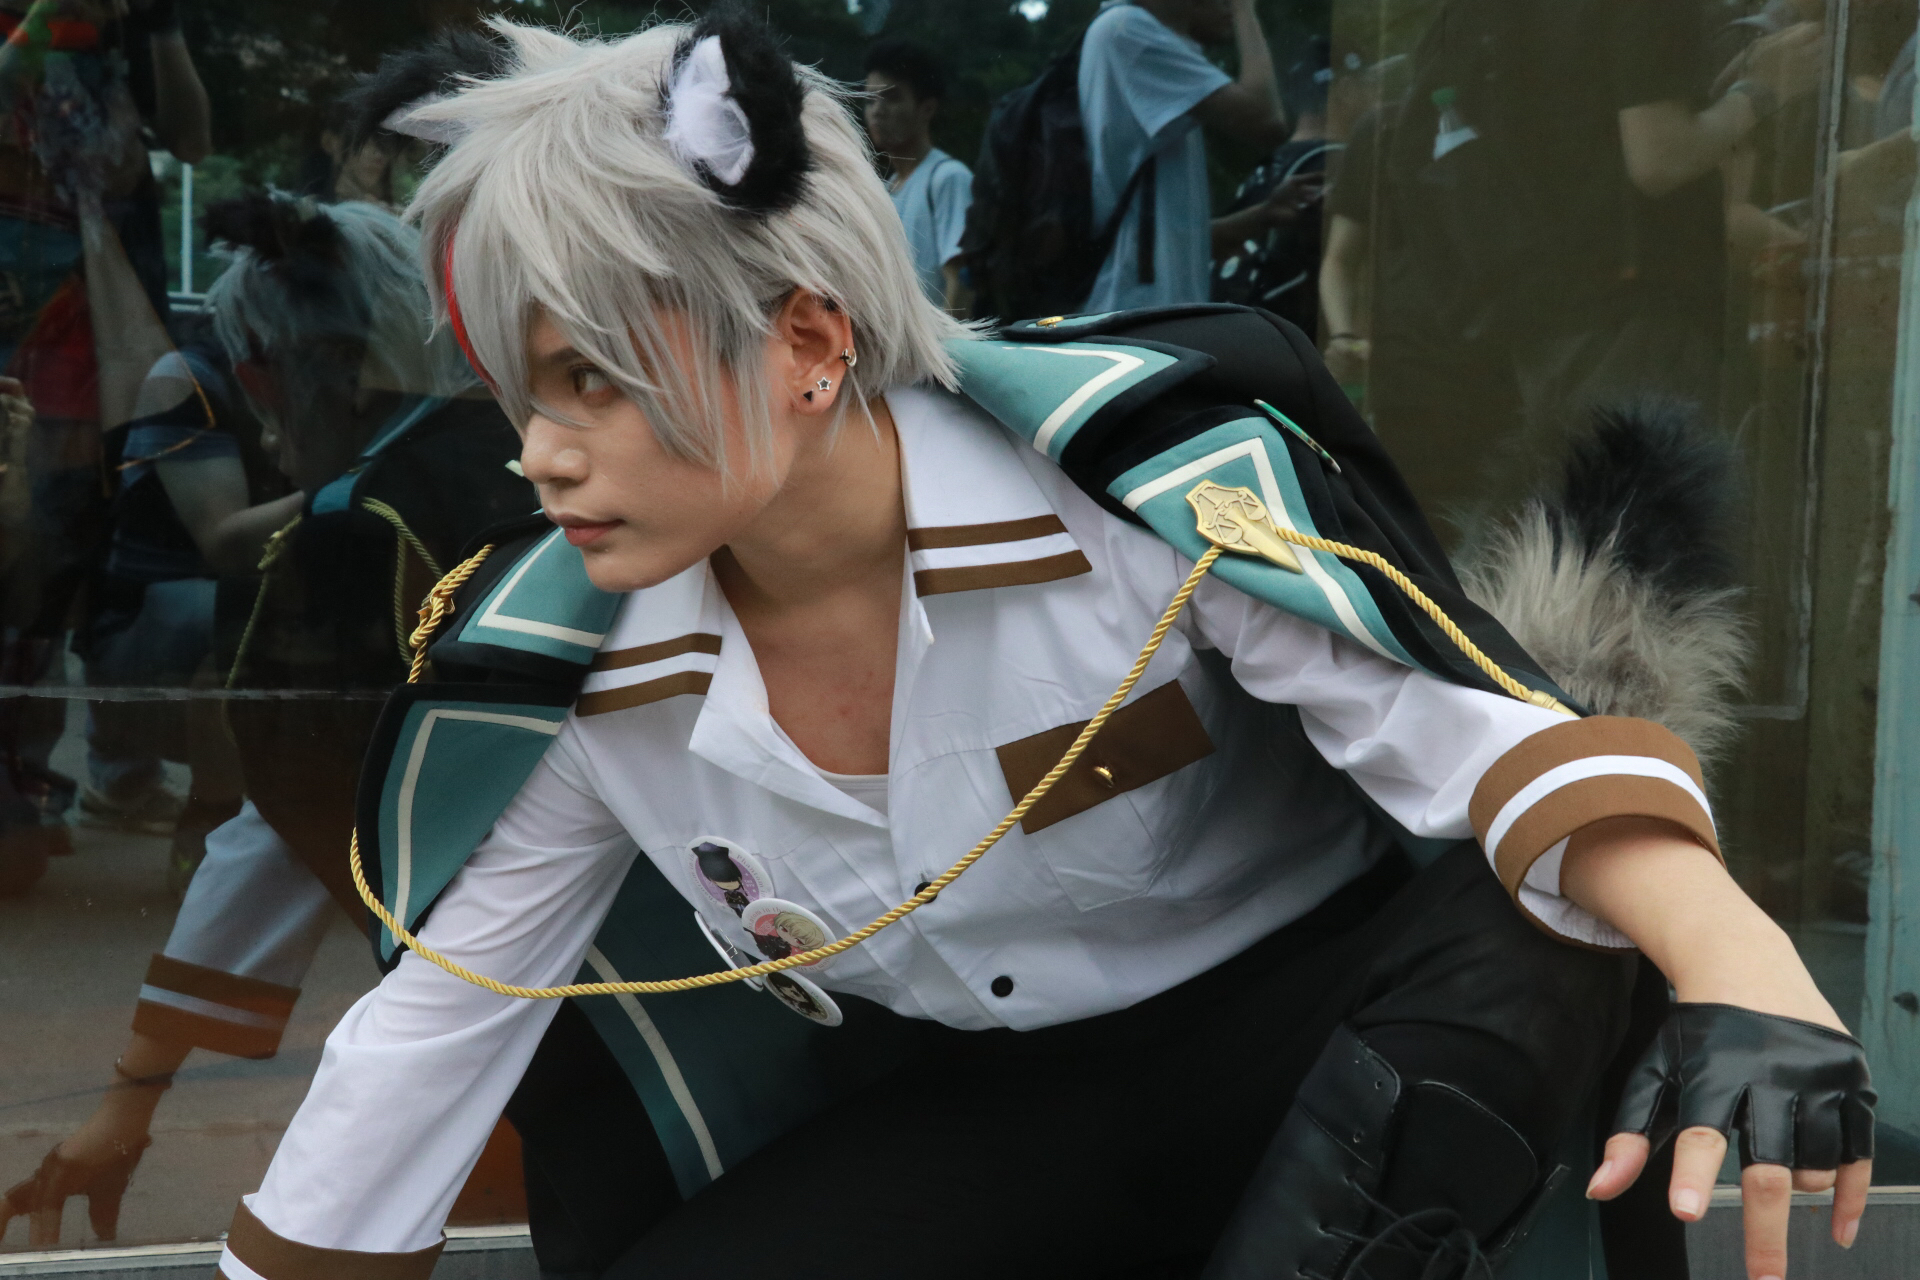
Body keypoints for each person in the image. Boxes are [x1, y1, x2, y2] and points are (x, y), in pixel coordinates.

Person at [212, 14, 1873, 1280]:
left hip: (1332, 1032)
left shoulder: (1137, 501)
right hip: (1022, 1104)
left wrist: (1753, 975)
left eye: (589, 380)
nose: (537, 455)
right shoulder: (584, 677)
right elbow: (436, 1031)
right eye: (522, 394)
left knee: (1547, 912)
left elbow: (1485, 743)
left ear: (808, 340)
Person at [0, 191, 535, 1248]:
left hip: (509, 1011)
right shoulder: (537, 446)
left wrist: (127, 1101)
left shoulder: (351, 530)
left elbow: (297, 806)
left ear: (258, 375)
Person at [1078, 0, 1289, 312]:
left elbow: (1161, 235)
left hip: (1141, 310)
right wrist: (1245, 10)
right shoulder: (1127, 29)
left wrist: (1261, 217)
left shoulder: (1124, 33)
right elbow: (1267, 119)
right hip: (1137, 313)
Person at [1211, 36, 1335, 330]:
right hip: (1289, 333)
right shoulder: (1333, 162)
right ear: (1347, 90)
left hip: (1236, 321)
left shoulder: (1269, 166)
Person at [863, 38, 972, 316]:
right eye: (870, 99)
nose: (877, 110)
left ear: (927, 108)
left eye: (892, 97)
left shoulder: (948, 179)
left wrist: (947, 343)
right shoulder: (885, 190)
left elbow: (961, 282)